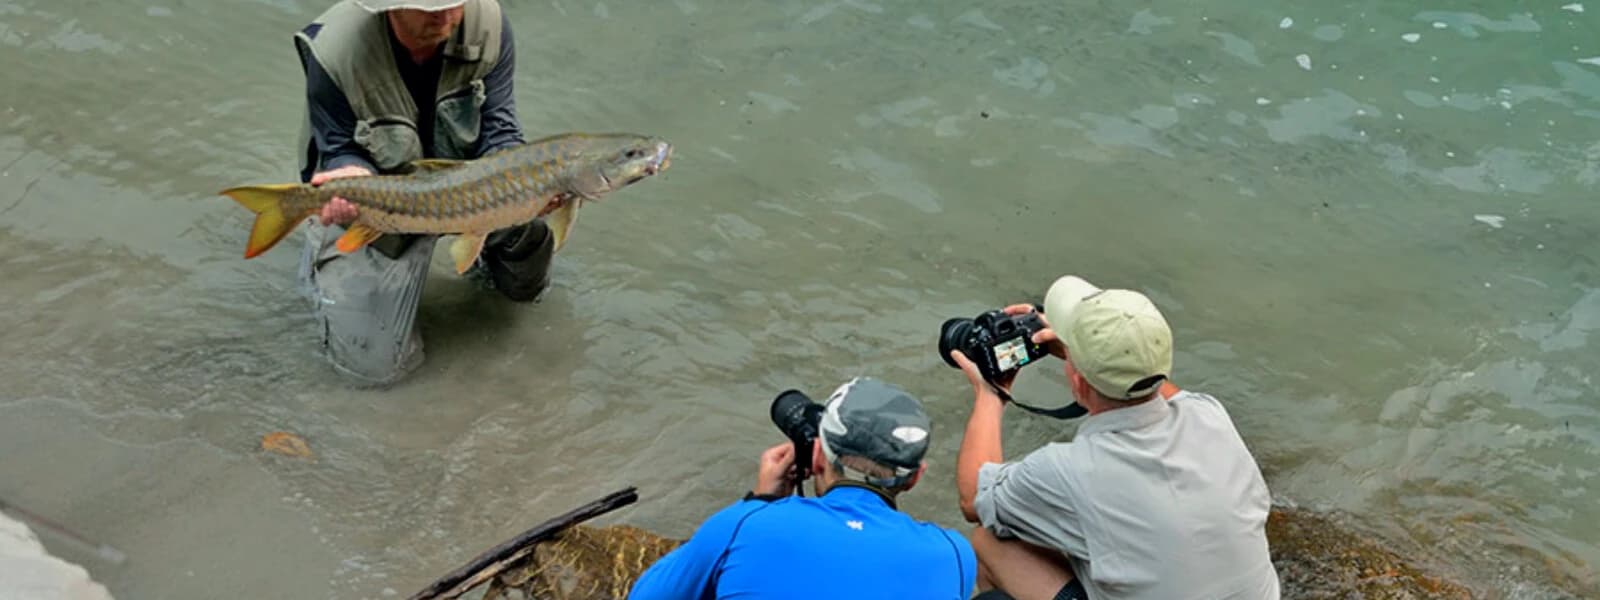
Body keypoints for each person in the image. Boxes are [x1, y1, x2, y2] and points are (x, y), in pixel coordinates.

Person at [947, 275, 1280, 600]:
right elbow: (1150, 383)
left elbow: (974, 499)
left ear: (1077, 383)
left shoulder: (1069, 469)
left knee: (990, 539)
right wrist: (1082, 354)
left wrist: (991, 394)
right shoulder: (1208, 414)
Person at [290, 0, 556, 385]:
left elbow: (501, 131)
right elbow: (338, 147)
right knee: (376, 372)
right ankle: (322, 268)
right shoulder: (333, 50)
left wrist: (525, 187)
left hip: (468, 192)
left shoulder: (490, 26)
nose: (445, 17)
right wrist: (351, 180)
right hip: (382, 206)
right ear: (391, 8)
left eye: (454, 3)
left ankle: (488, 274)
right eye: (429, 8)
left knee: (529, 260)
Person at [628, 377, 977, 599]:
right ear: (915, 477)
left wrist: (760, 501)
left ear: (818, 455)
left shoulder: (744, 524)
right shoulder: (954, 555)